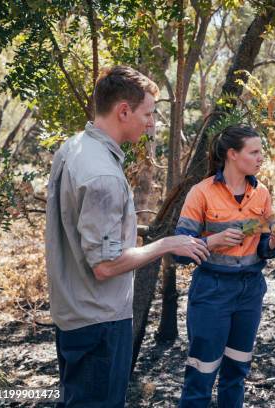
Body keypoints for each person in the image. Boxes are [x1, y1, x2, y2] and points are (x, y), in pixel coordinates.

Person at [45, 65, 210, 407]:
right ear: (123, 111)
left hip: (72, 314)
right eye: (148, 113)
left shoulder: (74, 148)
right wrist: (167, 244)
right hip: (98, 323)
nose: (151, 122)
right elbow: (105, 265)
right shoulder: (102, 174)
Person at [174, 125, 275, 407]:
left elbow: (262, 247)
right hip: (212, 291)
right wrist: (213, 241)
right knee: (201, 374)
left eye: (261, 152)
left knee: (236, 372)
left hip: (250, 291)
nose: (261, 158)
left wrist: (274, 241)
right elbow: (179, 251)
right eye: (255, 152)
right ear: (232, 154)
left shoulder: (261, 194)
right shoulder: (200, 193)